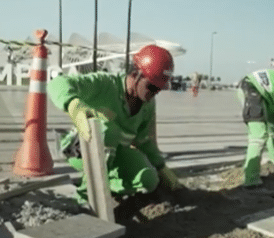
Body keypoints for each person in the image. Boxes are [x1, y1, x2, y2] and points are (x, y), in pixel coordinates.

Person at [48, 45, 182, 203]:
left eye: (159, 89)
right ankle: (85, 200)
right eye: (152, 87)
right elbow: (58, 83)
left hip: (115, 154)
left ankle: (105, 186)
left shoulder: (147, 104)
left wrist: (162, 168)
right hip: (82, 148)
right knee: (109, 130)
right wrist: (73, 104)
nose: (155, 93)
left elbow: (145, 141)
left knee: (148, 179)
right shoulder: (105, 85)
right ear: (135, 74)